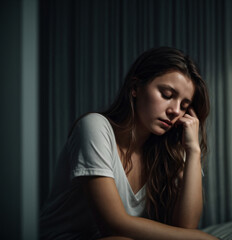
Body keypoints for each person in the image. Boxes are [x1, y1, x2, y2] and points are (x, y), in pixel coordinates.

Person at [39, 47, 218, 239]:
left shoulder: (172, 147)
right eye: (166, 94)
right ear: (135, 88)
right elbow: (114, 225)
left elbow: (185, 226)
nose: (175, 111)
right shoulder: (94, 127)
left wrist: (193, 151)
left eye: (184, 106)